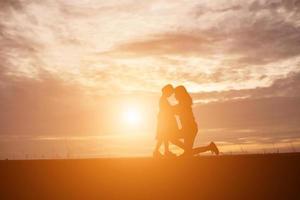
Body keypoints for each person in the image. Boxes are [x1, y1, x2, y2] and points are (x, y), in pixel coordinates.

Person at [172, 85, 219, 157]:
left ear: (179, 94)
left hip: (190, 129)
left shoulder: (184, 104)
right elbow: (175, 110)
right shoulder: (183, 103)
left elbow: (175, 110)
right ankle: (210, 147)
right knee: (187, 152)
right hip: (187, 129)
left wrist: (167, 108)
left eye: (175, 94)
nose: (174, 96)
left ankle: (209, 147)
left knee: (175, 141)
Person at [153, 84, 178, 157]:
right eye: (170, 93)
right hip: (164, 120)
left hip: (163, 120)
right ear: (167, 91)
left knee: (163, 136)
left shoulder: (163, 99)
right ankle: (161, 152)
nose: (171, 95)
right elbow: (167, 110)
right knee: (164, 136)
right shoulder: (163, 99)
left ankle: (161, 151)